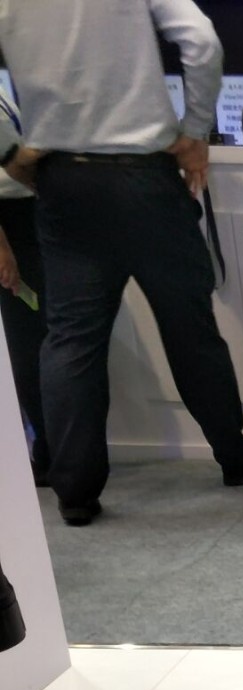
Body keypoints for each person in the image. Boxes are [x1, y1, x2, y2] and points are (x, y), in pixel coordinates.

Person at [0, 0, 243, 526]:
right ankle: (235, 458)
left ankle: (75, 493)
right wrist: (196, 131)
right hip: (145, 179)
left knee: (70, 339)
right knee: (189, 328)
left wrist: (7, 152)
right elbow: (202, 41)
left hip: (62, 181)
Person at [0, 89, 48, 484]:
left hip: (27, 217)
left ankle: (52, 448)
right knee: (29, 343)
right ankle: (46, 453)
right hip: (9, 228)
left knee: (39, 338)